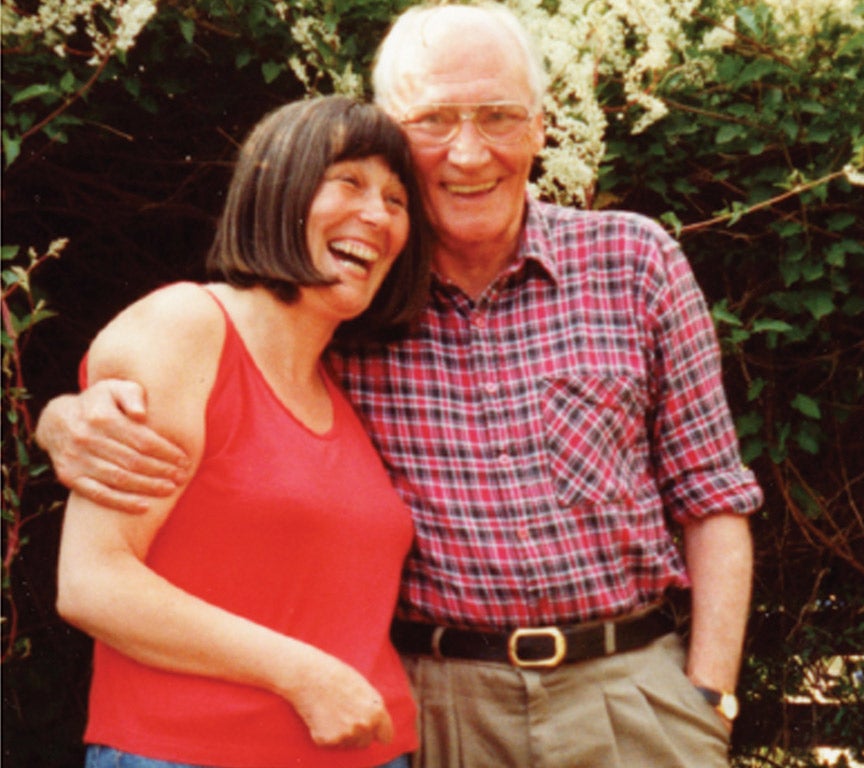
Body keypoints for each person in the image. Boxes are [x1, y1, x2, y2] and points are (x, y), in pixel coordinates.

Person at [38, 3, 764, 767]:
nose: (470, 151)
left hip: (627, 696)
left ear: (543, 127)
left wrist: (709, 697)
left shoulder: (633, 261)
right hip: (434, 702)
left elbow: (712, 492)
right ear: (393, 131)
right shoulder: (345, 309)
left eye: (499, 116)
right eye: (434, 120)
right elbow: (216, 379)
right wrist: (67, 415)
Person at [52, 94, 431, 768]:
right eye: (347, 180)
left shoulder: (342, 385)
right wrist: (307, 676)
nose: (376, 214)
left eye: (397, 200)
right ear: (277, 187)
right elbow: (92, 582)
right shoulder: (186, 327)